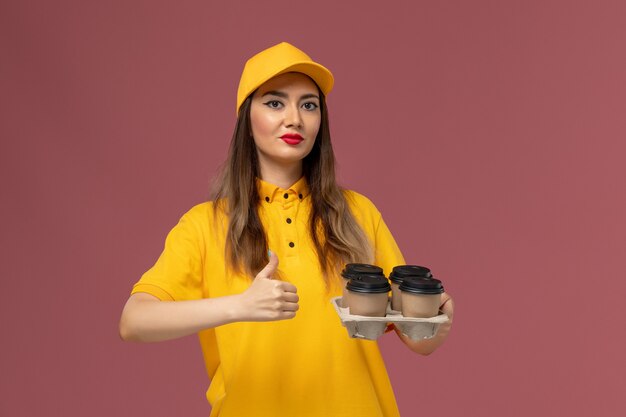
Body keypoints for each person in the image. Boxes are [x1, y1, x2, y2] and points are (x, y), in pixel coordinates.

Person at [119, 42, 454, 417]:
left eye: (309, 105)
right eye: (275, 103)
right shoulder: (204, 224)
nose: (294, 118)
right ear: (247, 118)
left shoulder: (359, 213)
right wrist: (239, 306)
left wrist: (438, 319)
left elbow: (417, 340)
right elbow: (134, 321)